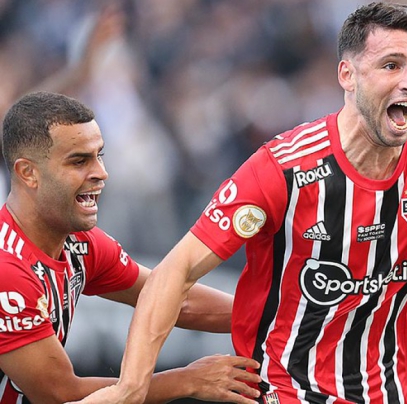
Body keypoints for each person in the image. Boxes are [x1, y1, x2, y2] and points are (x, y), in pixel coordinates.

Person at [73, 1, 407, 404]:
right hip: (284, 391)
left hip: (389, 392)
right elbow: (176, 271)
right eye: (391, 65)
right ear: (347, 75)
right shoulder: (285, 167)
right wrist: (132, 387)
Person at [0, 91, 262, 403]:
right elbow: (58, 394)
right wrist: (187, 380)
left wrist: (278, 311)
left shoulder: (80, 243)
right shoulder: (7, 270)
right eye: (79, 161)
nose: (100, 173)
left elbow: (171, 300)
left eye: (100, 155)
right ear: (28, 173)